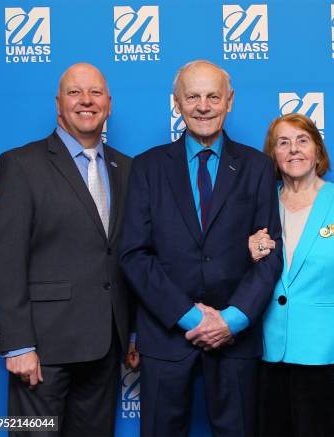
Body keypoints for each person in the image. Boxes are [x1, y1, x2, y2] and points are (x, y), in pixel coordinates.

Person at [119, 60, 283, 437]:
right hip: (166, 335)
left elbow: (268, 252)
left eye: (213, 96)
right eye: (193, 96)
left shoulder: (258, 167)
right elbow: (134, 254)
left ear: (230, 101)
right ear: (177, 102)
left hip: (235, 338)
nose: (203, 106)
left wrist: (233, 319)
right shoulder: (147, 167)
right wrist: (190, 317)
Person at [0, 63, 136, 436]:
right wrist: (18, 345)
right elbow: (3, 258)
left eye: (95, 93)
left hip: (105, 348)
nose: (86, 101)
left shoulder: (127, 168)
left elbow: (126, 256)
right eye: (75, 92)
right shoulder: (20, 164)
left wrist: (133, 333)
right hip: (42, 351)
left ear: (109, 104)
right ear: (59, 103)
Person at [247, 113, 334, 436]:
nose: (293, 149)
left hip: (328, 362)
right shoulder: (258, 205)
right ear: (273, 156)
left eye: (302, 140)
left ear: (318, 151)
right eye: (283, 143)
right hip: (268, 358)